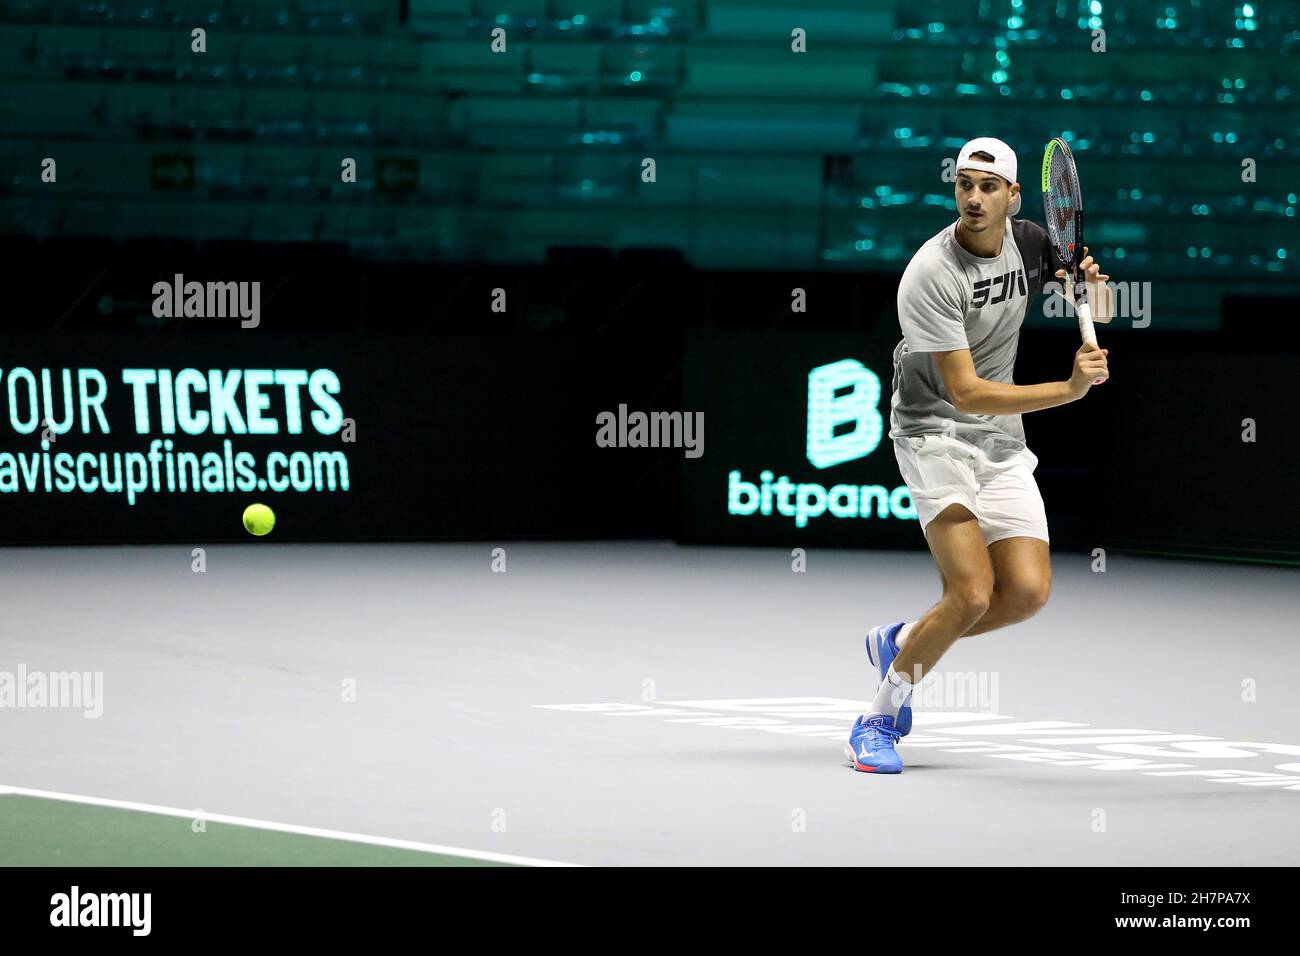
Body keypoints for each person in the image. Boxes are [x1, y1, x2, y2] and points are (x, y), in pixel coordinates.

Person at [847, 137, 1111, 773]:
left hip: (999, 441)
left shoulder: (1031, 242)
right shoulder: (929, 274)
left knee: (1024, 593)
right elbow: (964, 393)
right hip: (933, 429)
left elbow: (1093, 301)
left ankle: (904, 641)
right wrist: (1071, 389)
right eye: (964, 184)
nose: (973, 197)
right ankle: (878, 718)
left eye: (988, 187)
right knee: (969, 594)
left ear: (1013, 197)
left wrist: (1092, 291)